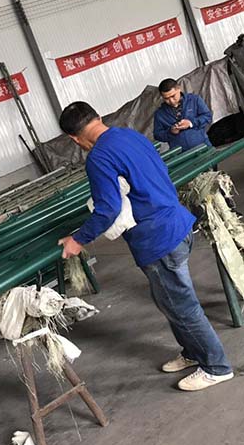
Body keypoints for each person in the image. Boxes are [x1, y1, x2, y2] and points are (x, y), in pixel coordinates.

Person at [58, 101, 233, 392]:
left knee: (182, 307)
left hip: (158, 239)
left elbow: (107, 209)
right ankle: (193, 352)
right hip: (176, 222)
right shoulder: (129, 135)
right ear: (98, 116)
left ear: (74, 139)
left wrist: (78, 240)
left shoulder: (98, 157)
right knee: (168, 300)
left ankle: (216, 367)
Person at [154, 78, 212, 151]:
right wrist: (171, 132)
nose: (171, 101)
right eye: (166, 98)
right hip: (180, 154)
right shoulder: (160, 114)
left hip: (203, 147)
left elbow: (208, 116)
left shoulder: (194, 100)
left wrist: (190, 123)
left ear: (179, 89)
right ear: (162, 97)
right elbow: (157, 135)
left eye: (173, 96)